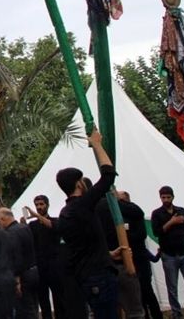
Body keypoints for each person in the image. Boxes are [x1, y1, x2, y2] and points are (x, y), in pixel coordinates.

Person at [55, 129, 118, 319]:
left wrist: (106, 254)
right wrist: (97, 144)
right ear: (79, 184)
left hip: (86, 276)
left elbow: (84, 245)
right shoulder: (81, 206)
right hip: (99, 276)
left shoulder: (64, 213)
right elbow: (108, 176)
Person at [150, 185, 184, 319]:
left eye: (168, 197)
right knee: (172, 286)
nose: (166, 200)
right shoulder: (157, 213)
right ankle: (176, 312)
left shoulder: (181, 211)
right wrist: (172, 222)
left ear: (173, 197)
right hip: (169, 253)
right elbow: (157, 232)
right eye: (163, 197)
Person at [24, 195, 66, 319]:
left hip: (54, 265)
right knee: (43, 300)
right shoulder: (33, 225)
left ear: (47, 205)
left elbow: (53, 227)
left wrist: (37, 216)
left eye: (41, 204)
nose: (39, 207)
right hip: (40, 266)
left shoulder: (55, 221)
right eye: (37, 205)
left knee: (59, 298)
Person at [0, 207, 38, 319]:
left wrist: (16, 279)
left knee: (24, 309)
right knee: (33, 306)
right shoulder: (24, 227)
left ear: (3, 219)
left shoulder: (10, 233)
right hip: (33, 270)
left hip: (23, 275)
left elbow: (16, 256)